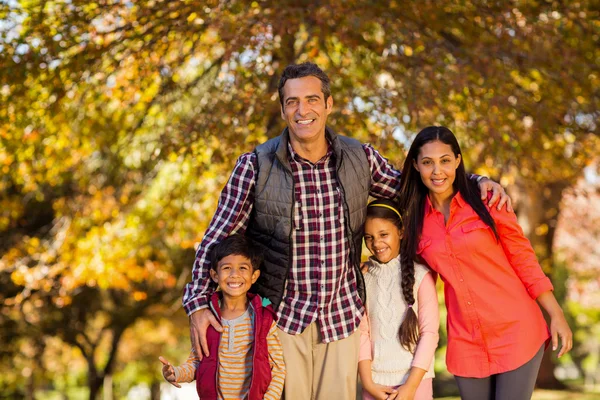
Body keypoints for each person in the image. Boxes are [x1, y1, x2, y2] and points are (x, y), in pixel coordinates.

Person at [182, 62, 510, 399]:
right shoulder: (255, 166)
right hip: (280, 322)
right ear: (282, 109)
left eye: (311, 99)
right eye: (292, 102)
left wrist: (475, 181)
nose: (302, 110)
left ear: (328, 104)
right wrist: (196, 303)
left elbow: (417, 187)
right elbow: (218, 237)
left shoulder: (360, 159)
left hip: (340, 322)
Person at [397, 126, 573, 400]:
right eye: (428, 162)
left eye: (445, 160)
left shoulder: (488, 201)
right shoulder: (415, 221)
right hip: (466, 340)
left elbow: (523, 258)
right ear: (416, 166)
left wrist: (555, 313)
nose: (437, 171)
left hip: (516, 328)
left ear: (457, 160)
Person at [160, 235, 285, 400]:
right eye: (227, 268)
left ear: (254, 276)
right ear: (214, 275)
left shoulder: (264, 319)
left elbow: (277, 368)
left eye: (242, 268)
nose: (234, 274)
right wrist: (175, 373)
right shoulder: (206, 318)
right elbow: (197, 363)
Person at [358, 199, 439, 400]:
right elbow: (362, 334)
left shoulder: (420, 277)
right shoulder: (363, 278)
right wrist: (368, 383)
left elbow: (429, 334)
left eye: (383, 234)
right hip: (376, 385)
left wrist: (410, 387)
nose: (376, 243)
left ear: (401, 232)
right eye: (369, 237)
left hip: (416, 383)